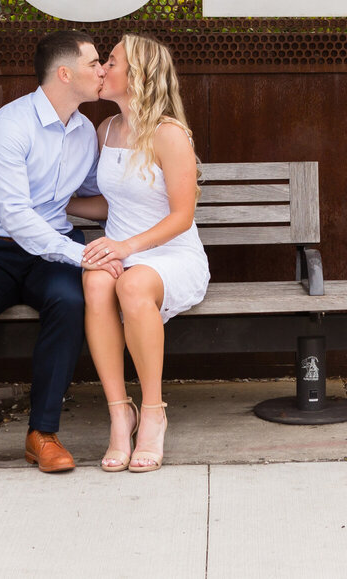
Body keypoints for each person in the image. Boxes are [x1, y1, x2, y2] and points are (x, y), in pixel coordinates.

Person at [0, 29, 124, 476]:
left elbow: (102, 193)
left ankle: (43, 433)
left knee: (70, 302)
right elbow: (16, 216)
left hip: (51, 250)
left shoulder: (84, 131)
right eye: (94, 63)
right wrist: (80, 255)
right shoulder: (10, 124)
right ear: (65, 73)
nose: (102, 70)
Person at [78, 34, 209, 473]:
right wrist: (55, 205)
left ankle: (153, 412)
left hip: (170, 255)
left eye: (110, 62)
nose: (102, 70)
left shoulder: (169, 134)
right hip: (124, 250)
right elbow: (110, 205)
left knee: (131, 283)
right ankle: (120, 414)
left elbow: (182, 216)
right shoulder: (106, 129)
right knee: (96, 280)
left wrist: (127, 247)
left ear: (136, 76)